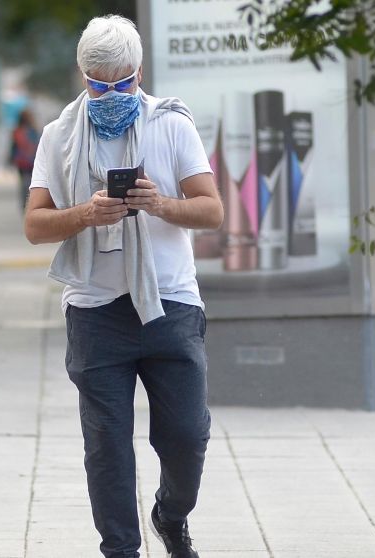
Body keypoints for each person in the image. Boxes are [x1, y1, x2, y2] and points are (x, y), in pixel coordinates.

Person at [24, 16, 223, 558]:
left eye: (122, 83)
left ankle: (171, 514)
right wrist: (85, 214)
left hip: (170, 303)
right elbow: (35, 225)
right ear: (82, 75)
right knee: (107, 446)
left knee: (187, 436)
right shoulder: (59, 136)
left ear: (140, 72)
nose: (111, 95)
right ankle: (121, 550)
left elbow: (212, 210)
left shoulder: (171, 124)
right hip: (95, 310)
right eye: (98, 85)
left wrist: (160, 204)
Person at [10, 108, 41, 209]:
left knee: (23, 182)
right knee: (33, 183)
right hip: (32, 161)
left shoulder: (17, 131)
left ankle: (25, 203)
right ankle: (30, 203)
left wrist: (11, 160)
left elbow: (13, 148)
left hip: (21, 163)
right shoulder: (33, 131)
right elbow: (38, 145)